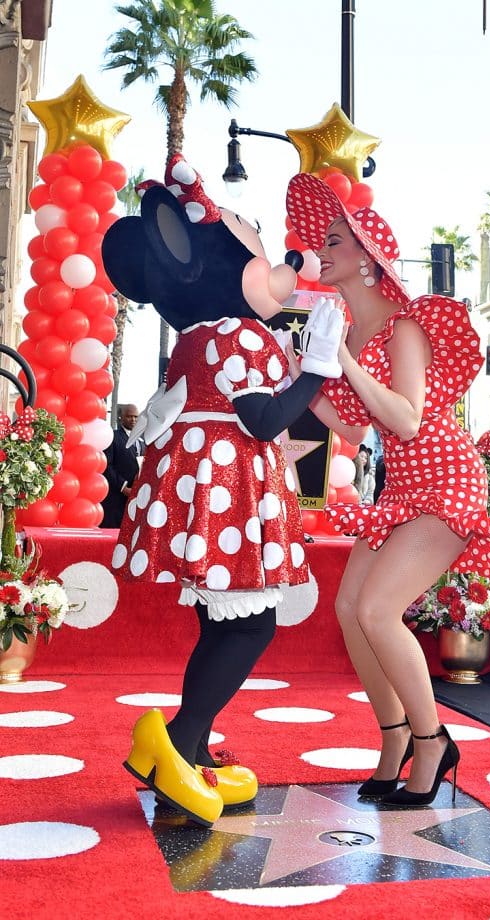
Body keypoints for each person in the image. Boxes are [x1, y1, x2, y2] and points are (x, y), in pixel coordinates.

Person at [101, 155, 344, 826]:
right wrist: (316, 368)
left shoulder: (197, 337)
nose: (282, 261)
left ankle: (192, 745)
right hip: (230, 482)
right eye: (258, 249)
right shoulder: (242, 333)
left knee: (224, 617)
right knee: (251, 622)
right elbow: (264, 418)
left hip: (210, 483)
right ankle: (179, 740)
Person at [286, 173, 490, 808]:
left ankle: (433, 740)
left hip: (447, 481)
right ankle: (394, 740)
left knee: (375, 610)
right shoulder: (353, 336)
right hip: (401, 491)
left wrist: (340, 360)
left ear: (368, 260)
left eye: (335, 240)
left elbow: (409, 419)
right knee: (347, 611)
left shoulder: (405, 327)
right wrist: (299, 373)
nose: (322, 248)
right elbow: (349, 422)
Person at [100, 403, 145, 528]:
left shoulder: (143, 440)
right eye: (129, 416)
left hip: (137, 497)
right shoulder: (113, 437)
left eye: (136, 417)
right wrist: (123, 487)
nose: (133, 420)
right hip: (116, 498)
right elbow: (107, 465)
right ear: (121, 417)